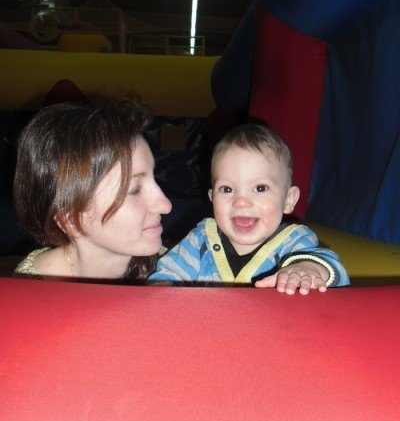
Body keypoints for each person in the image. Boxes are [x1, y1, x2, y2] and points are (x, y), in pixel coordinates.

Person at [148, 123, 349, 293]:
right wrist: (163, 286)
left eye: (260, 188)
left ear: (288, 200)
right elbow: (168, 273)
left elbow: (332, 268)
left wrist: (307, 269)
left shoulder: (294, 241)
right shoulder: (201, 239)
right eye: (227, 189)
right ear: (212, 198)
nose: (241, 202)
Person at [13, 97, 172, 282]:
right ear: (72, 221)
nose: (166, 205)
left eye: (154, 177)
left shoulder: (176, 267)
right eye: (134, 190)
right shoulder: (32, 292)